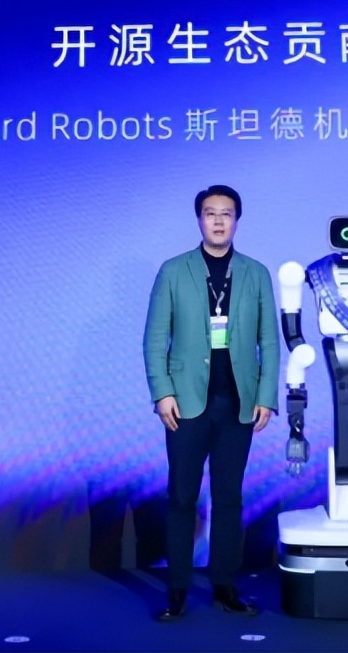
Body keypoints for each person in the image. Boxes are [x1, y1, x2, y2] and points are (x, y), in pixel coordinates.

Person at [143, 185, 280, 621]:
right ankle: (178, 590)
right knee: (182, 497)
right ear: (199, 219)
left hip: (238, 402)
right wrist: (162, 393)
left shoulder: (255, 273)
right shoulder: (173, 270)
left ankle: (224, 585)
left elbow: (269, 341)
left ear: (237, 220)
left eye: (226, 213)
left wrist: (266, 396)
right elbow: (154, 339)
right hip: (185, 402)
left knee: (229, 498)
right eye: (210, 213)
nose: (218, 221)